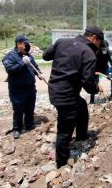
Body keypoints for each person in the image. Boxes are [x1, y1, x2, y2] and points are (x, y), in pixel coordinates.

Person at [43, 27, 104, 168]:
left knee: (82, 105)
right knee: (65, 130)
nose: (100, 46)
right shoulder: (88, 53)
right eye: (100, 42)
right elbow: (88, 85)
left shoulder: (61, 42)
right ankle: (61, 163)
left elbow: (46, 56)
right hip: (66, 97)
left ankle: (82, 136)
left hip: (54, 90)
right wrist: (97, 87)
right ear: (94, 38)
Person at [2, 35, 41, 139]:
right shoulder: (10, 56)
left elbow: (35, 66)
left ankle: (29, 125)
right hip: (17, 90)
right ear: (18, 44)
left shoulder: (29, 55)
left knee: (30, 108)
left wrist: (39, 73)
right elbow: (10, 69)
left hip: (30, 88)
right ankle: (16, 129)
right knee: (18, 109)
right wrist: (22, 63)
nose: (28, 45)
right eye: (26, 43)